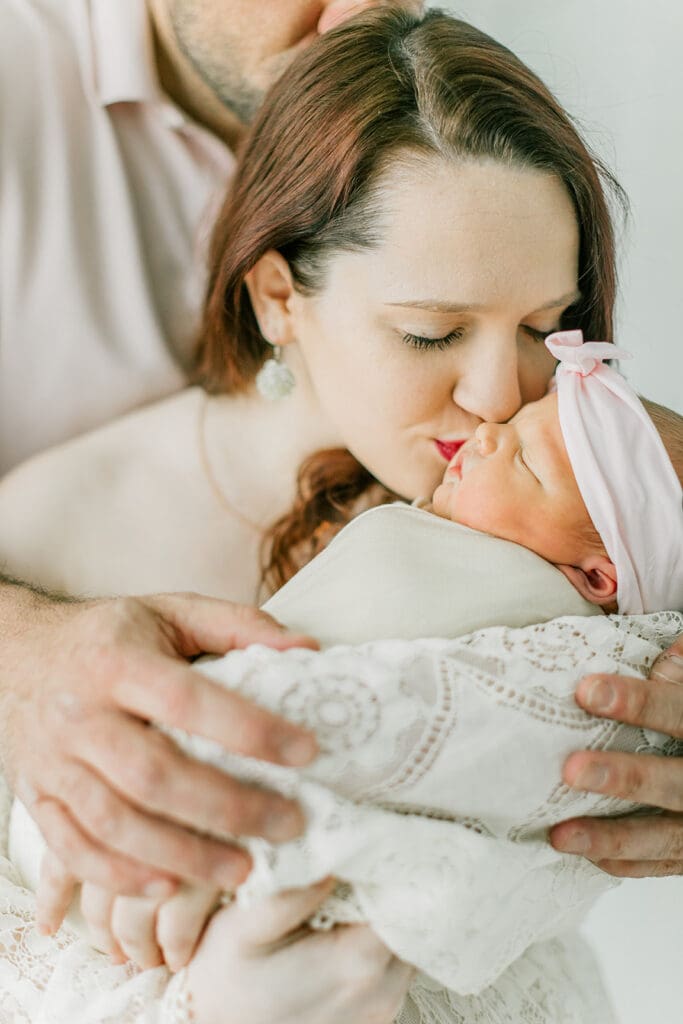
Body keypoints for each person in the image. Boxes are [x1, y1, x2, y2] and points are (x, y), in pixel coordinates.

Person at [0, 6, 681, 1020]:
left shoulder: (531, 515)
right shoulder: (64, 524)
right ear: (279, 299)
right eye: (427, 334)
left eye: (547, 326)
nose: (502, 394)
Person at [7, 335, 682, 1022]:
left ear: (595, 578)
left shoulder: (547, 625)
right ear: (277, 303)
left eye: (527, 462)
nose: (485, 426)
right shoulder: (87, 494)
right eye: (431, 331)